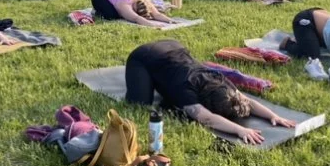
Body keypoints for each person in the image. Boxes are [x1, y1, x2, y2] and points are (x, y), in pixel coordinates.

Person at [125, 40, 295, 144]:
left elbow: (246, 100)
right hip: (144, 56)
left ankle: (160, 75)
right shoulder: (186, 91)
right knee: (140, 102)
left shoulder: (221, 81)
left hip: (174, 47)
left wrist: (273, 116)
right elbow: (206, 118)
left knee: (166, 95)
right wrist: (240, 130)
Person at [91, 0, 178, 28]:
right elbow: (136, 18)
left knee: (121, 13)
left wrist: (170, 20)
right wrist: (152, 24)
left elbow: (157, 14)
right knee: (112, 16)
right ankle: (96, 10)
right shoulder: (124, 4)